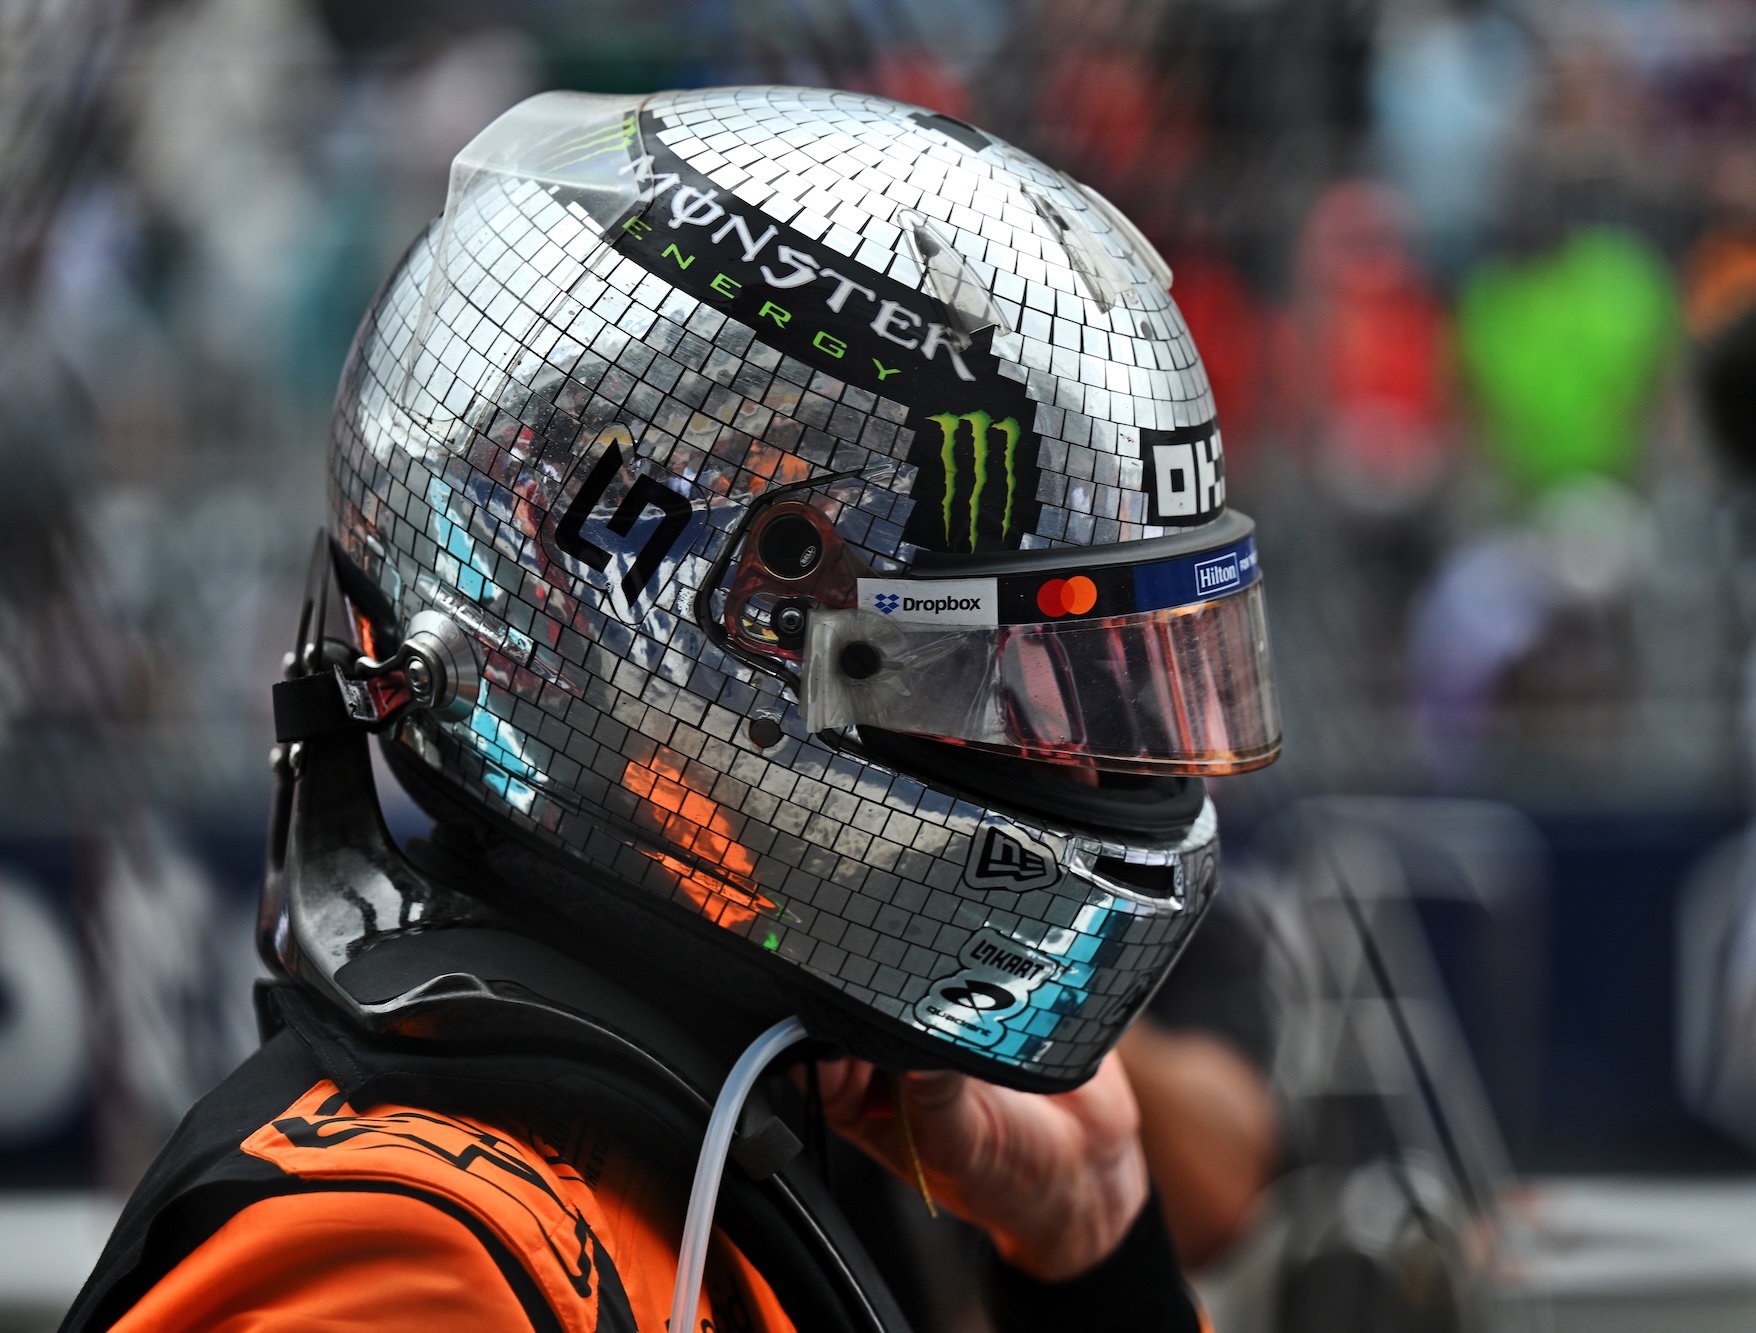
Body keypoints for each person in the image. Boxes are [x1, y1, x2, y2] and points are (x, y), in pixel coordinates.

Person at [58, 86, 1284, 1333]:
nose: (1096, 756)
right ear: (725, 613)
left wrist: (1088, 1240)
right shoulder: (412, 1257)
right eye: (1010, 674)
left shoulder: (707, 1140)